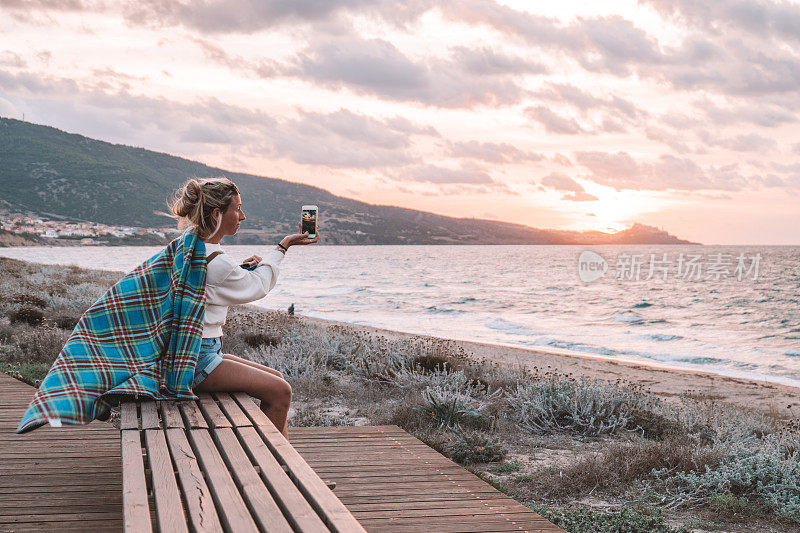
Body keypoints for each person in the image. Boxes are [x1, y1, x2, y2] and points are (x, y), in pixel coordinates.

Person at [168, 177, 317, 437]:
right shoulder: (215, 260)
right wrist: (283, 247)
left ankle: (286, 467)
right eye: (237, 208)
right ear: (217, 213)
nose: (242, 216)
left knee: (278, 378)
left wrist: (243, 269)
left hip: (192, 351)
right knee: (281, 392)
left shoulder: (190, 245)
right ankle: (276, 470)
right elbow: (256, 287)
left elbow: (214, 283)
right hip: (199, 357)